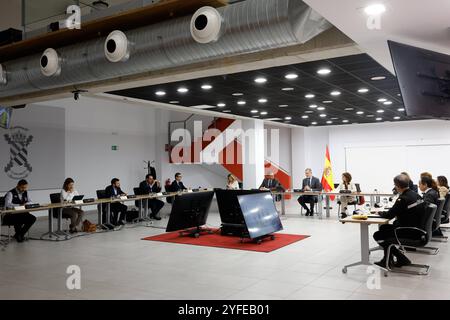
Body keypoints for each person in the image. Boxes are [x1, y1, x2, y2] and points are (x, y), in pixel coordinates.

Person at [373, 174, 424, 269]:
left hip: (407, 231)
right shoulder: (415, 195)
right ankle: (388, 259)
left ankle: (401, 258)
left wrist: (379, 212)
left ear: (397, 186)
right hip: (418, 229)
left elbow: (389, 215)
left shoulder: (403, 199)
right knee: (383, 228)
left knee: (378, 235)